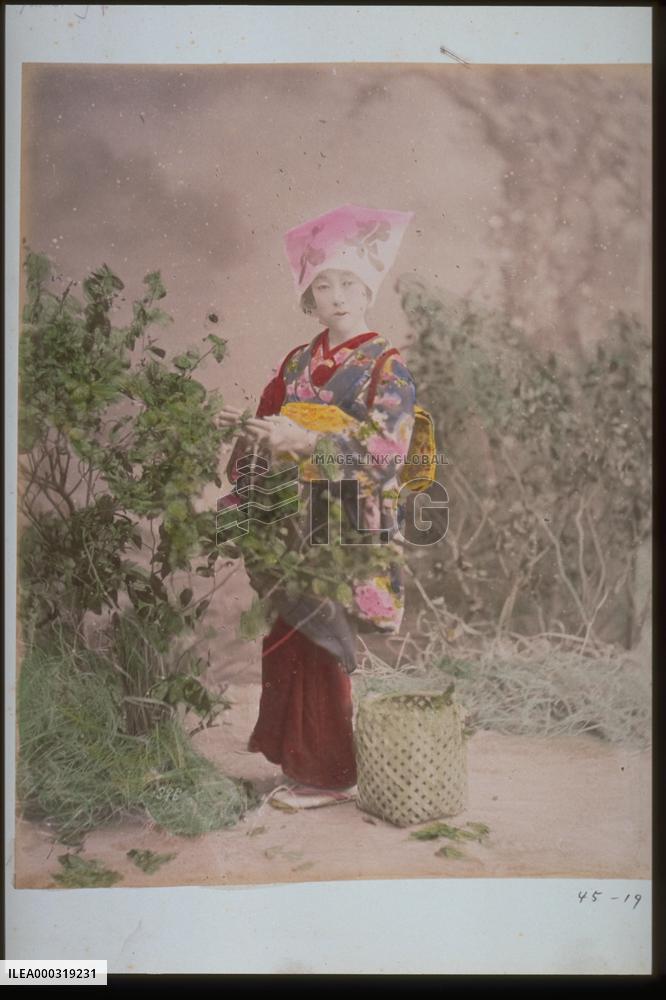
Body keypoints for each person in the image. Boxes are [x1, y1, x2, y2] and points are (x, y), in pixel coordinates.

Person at [217, 204, 416, 806]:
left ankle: (328, 773)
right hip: (289, 514)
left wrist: (303, 439)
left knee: (319, 633)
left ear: (368, 291)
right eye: (322, 284)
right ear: (309, 297)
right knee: (287, 630)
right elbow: (269, 419)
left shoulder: (386, 366)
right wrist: (247, 429)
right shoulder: (297, 363)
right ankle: (296, 760)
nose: (336, 296)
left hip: (341, 513)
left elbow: (387, 449)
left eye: (348, 284)